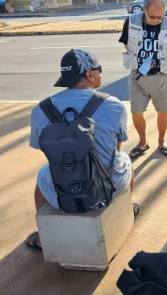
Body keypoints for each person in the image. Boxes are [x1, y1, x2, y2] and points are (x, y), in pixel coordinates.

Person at [25, 49, 136, 250]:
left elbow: (44, 150)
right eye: (98, 70)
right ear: (89, 75)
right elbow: (115, 149)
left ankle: (44, 236)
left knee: (43, 173)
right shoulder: (114, 106)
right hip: (107, 192)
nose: (100, 74)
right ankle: (128, 210)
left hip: (61, 194)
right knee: (125, 159)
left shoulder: (40, 110)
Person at [119, 0, 167, 158]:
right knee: (136, 112)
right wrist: (140, 60)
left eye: (160, 16)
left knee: (163, 111)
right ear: (144, 9)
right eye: (152, 16)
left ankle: (161, 141)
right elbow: (126, 43)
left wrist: (161, 63)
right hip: (137, 77)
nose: (156, 20)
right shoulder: (131, 21)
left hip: (161, 77)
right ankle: (143, 142)